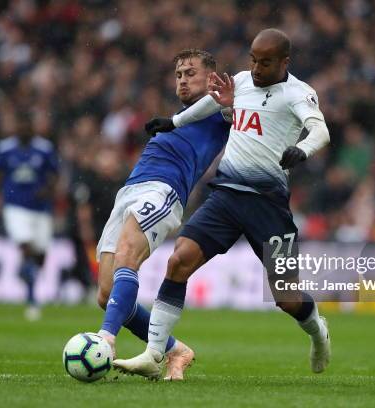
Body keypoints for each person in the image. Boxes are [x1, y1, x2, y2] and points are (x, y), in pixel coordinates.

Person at [114, 29, 331, 379]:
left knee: (287, 299)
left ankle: (318, 330)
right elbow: (211, 103)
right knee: (179, 260)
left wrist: (302, 150)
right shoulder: (242, 81)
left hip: (268, 205)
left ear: (285, 62)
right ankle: (154, 353)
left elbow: (320, 130)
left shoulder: (299, 93)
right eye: (253, 60)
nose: (257, 68)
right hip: (226, 196)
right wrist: (174, 122)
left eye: (266, 62)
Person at [95, 49, 231, 380]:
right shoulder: (180, 114)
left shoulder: (222, 110)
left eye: (190, 72)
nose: (183, 79)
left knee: (128, 256)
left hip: (163, 191)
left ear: (211, 77)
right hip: (129, 191)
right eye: (179, 75)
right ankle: (175, 350)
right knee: (105, 293)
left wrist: (226, 97)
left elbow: (235, 105)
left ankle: (105, 341)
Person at [0, 112, 59, 321]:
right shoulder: (4, 148)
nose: (24, 130)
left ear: (32, 128)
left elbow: (55, 174)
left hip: (41, 209)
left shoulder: (44, 148)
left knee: (41, 255)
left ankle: (25, 271)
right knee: (26, 247)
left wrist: (47, 190)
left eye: (27, 126)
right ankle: (31, 299)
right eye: (20, 126)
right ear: (16, 128)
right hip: (15, 207)